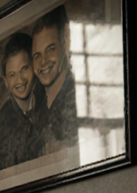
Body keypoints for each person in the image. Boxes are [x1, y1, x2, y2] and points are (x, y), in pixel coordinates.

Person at [31, 5, 78, 153]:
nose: (43, 62)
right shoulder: (37, 109)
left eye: (50, 49)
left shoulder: (76, 99)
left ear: (64, 43)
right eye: (37, 55)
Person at [0, 31, 41, 171]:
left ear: (34, 67)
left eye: (24, 69)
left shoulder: (43, 100)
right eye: (12, 75)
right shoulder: (5, 120)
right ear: (6, 82)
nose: (20, 80)